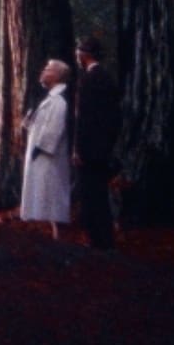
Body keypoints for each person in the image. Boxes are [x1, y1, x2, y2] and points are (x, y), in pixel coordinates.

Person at [72, 36, 120, 250]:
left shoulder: (87, 80)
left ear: (84, 54)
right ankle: (106, 238)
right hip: (104, 147)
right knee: (100, 193)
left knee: (89, 194)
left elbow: (83, 118)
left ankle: (95, 239)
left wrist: (78, 149)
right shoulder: (108, 78)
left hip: (89, 149)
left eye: (78, 51)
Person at [19, 59, 73, 239]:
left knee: (51, 196)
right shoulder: (49, 99)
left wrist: (40, 148)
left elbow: (54, 130)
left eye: (47, 69)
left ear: (57, 76)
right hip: (39, 156)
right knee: (41, 195)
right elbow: (40, 126)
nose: (43, 72)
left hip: (48, 158)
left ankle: (58, 236)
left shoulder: (59, 102)